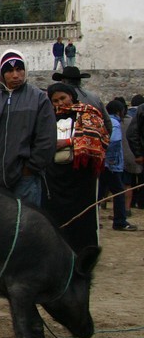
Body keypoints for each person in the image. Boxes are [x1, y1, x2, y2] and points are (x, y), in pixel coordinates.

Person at [0, 49, 56, 208]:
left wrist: (29, 169)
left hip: (26, 180)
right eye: (10, 70)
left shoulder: (38, 98)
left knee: (25, 227)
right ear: (2, 74)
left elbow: (46, 140)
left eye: (19, 69)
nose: (15, 75)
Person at [42, 83, 108, 252]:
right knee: (55, 213)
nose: (60, 103)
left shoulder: (88, 114)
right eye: (55, 100)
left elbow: (96, 138)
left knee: (83, 214)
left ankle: (84, 251)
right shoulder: (47, 117)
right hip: (55, 176)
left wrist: (67, 142)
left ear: (71, 96)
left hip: (81, 175)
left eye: (63, 98)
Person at [100, 100, 137, 231]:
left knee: (98, 193)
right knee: (119, 193)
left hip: (103, 163)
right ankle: (120, 221)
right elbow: (114, 140)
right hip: (111, 166)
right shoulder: (114, 123)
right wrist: (111, 161)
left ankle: (92, 220)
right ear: (119, 111)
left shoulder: (103, 120)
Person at [52, 66, 113, 138]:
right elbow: (107, 122)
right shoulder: (94, 97)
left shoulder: (60, 100)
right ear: (79, 81)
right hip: (94, 141)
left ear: (64, 81)